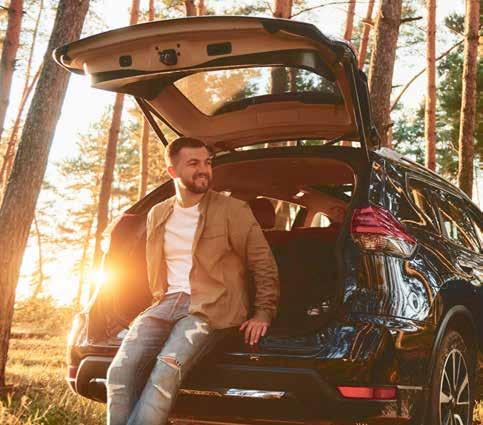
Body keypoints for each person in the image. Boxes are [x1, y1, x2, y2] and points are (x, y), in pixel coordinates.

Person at [106, 137, 280, 425]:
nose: (204, 170)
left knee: (166, 371)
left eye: (207, 163)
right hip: (165, 303)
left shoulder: (232, 210)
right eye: (193, 163)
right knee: (118, 372)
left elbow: (262, 262)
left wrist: (263, 312)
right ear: (172, 171)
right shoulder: (158, 213)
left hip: (211, 307)